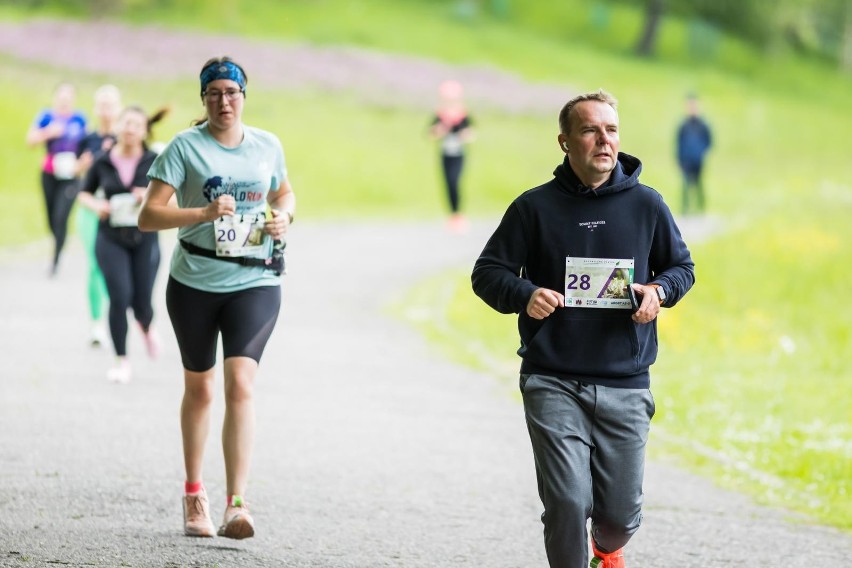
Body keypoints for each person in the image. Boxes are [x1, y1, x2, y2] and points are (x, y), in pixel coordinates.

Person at [471, 89, 695, 568]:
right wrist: (525, 294)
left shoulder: (647, 205)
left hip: (625, 382)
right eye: (590, 130)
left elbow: (682, 269)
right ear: (565, 141)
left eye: (611, 130)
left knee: (619, 518)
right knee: (568, 503)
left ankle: (607, 551)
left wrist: (658, 293)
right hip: (552, 377)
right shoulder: (533, 208)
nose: (603, 140)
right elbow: (487, 273)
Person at [138, 56, 295, 540]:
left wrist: (284, 218)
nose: (224, 101)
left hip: (256, 279)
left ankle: (237, 505)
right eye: (214, 94)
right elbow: (148, 217)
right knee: (202, 390)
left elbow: (284, 194)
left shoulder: (267, 145)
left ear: (244, 96)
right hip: (194, 284)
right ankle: (194, 494)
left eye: (231, 92)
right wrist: (203, 213)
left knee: (241, 384)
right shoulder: (184, 148)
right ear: (203, 99)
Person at [77, 105, 165, 384]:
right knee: (119, 296)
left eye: (136, 125)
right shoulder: (102, 160)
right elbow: (83, 193)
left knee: (142, 303)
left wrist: (147, 196)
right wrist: (97, 205)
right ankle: (121, 361)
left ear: (144, 130)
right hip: (110, 237)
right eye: (125, 123)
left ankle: (147, 326)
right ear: (117, 126)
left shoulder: (155, 160)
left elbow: (170, 195)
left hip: (144, 237)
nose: (129, 129)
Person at [76, 84, 122, 347]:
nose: (105, 110)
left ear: (118, 108)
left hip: (119, 210)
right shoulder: (88, 139)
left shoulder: (126, 138)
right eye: (101, 105)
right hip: (91, 209)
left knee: (115, 267)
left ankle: (115, 316)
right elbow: (74, 170)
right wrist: (81, 165)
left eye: (110, 105)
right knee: (95, 265)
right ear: (95, 109)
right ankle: (97, 323)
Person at [25, 82, 88, 275]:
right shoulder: (46, 117)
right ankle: (58, 242)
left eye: (68, 99)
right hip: (50, 173)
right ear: (55, 99)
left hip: (71, 176)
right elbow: (30, 141)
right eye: (61, 99)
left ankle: (56, 260)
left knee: (61, 217)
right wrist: (48, 132)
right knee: (51, 218)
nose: (64, 102)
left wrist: (82, 164)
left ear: (73, 101)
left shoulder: (79, 119)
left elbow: (88, 146)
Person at [429, 79, 474, 232]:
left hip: (458, 155)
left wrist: (463, 133)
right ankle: (452, 215)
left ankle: (459, 214)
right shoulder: (440, 116)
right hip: (445, 154)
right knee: (447, 183)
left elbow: (470, 134)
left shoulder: (463, 116)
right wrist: (443, 126)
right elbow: (432, 133)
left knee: (455, 181)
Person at [676, 92, 712, 215]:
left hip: (698, 161)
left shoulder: (703, 125)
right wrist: (679, 159)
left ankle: (700, 209)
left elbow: (709, 141)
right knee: (685, 186)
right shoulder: (683, 126)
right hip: (686, 160)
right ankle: (685, 210)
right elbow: (678, 143)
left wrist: (700, 152)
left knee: (699, 185)